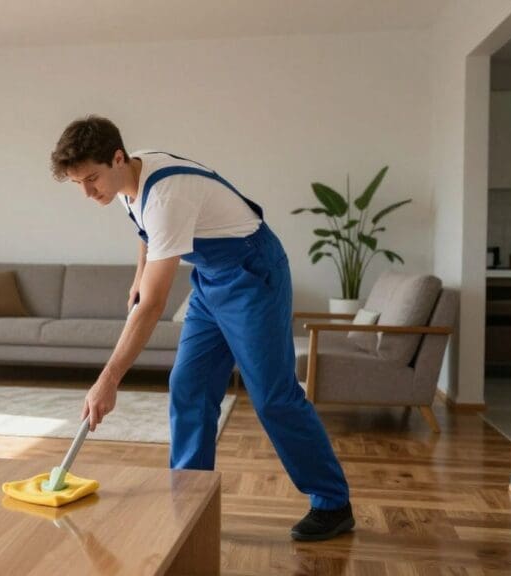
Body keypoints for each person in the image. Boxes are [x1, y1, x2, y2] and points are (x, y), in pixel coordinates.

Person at [50, 115, 354, 541]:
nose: (87, 192)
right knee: (189, 384)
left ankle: (332, 502)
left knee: (272, 396)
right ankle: (189, 501)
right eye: (78, 183)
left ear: (118, 157)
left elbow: (153, 306)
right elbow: (146, 230)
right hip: (211, 281)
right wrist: (140, 272)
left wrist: (108, 379)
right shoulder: (127, 179)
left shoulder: (166, 196)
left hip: (252, 275)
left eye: (92, 179)